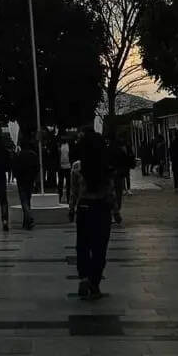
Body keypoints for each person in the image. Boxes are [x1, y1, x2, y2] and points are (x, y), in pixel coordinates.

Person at [68, 127, 115, 301]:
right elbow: (111, 192)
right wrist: (116, 212)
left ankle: (84, 277)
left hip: (84, 208)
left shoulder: (77, 167)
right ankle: (95, 283)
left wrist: (71, 209)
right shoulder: (105, 167)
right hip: (102, 209)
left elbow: (73, 191)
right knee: (99, 247)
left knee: (83, 244)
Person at [13, 139, 39, 229]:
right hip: (30, 179)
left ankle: (29, 218)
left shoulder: (19, 155)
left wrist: (16, 176)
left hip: (21, 180)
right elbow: (37, 168)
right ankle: (26, 221)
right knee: (28, 199)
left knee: (24, 200)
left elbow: (15, 167)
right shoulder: (33, 155)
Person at [57, 135, 71, 203]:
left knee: (68, 183)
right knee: (60, 183)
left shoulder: (69, 145)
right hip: (61, 166)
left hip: (68, 166)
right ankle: (59, 197)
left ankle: (68, 198)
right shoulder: (59, 145)